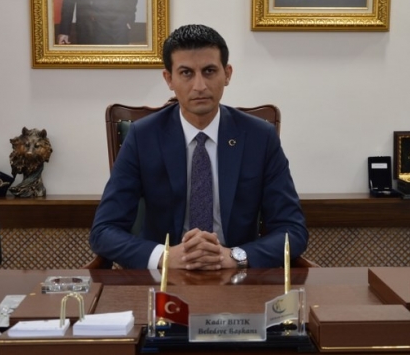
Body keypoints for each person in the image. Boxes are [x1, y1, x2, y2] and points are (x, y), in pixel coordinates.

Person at [89, 24, 308, 270]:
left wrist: (234, 256)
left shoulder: (259, 137)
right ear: (169, 79)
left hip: (236, 274)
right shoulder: (143, 137)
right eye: (186, 73)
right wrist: (165, 256)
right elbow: (103, 231)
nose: (199, 86)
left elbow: (293, 230)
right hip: (163, 277)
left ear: (227, 74)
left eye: (209, 71)